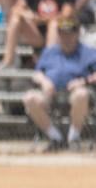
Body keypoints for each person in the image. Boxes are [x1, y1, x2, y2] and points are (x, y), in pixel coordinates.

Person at [23, 16, 96, 151]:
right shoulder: (50, 51)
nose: (66, 37)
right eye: (63, 33)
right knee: (30, 98)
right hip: (51, 93)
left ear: (77, 33)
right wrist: (45, 82)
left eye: (70, 33)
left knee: (81, 94)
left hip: (76, 94)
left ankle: (73, 138)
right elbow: (37, 73)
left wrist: (83, 81)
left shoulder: (88, 52)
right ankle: (56, 138)